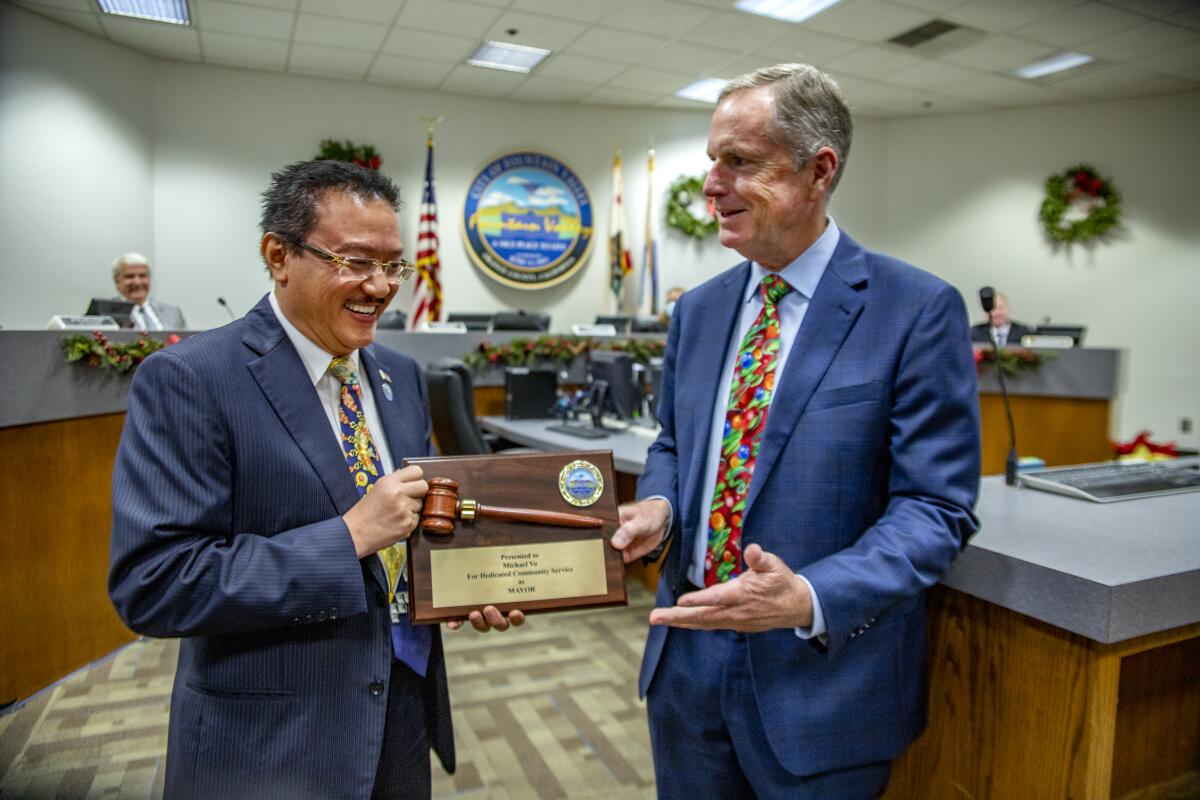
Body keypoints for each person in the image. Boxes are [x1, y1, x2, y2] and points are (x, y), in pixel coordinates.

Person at [611, 63, 981, 799]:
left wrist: (808, 595)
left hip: (823, 679)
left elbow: (935, 508)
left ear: (819, 171)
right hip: (686, 660)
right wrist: (662, 503)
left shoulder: (915, 310)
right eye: (711, 160)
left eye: (739, 162)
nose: (710, 185)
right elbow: (676, 446)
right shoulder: (699, 311)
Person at [108, 161, 522, 800]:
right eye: (355, 261)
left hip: (402, 707)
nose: (381, 286)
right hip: (272, 739)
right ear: (278, 255)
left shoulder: (399, 376)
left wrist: (468, 582)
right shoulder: (191, 380)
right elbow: (156, 583)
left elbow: (417, 527)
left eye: (394, 265)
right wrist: (350, 536)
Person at [111, 252, 187, 329]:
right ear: (117, 281)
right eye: (130, 276)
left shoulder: (173, 313)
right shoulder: (106, 314)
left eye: (142, 276)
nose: (137, 282)